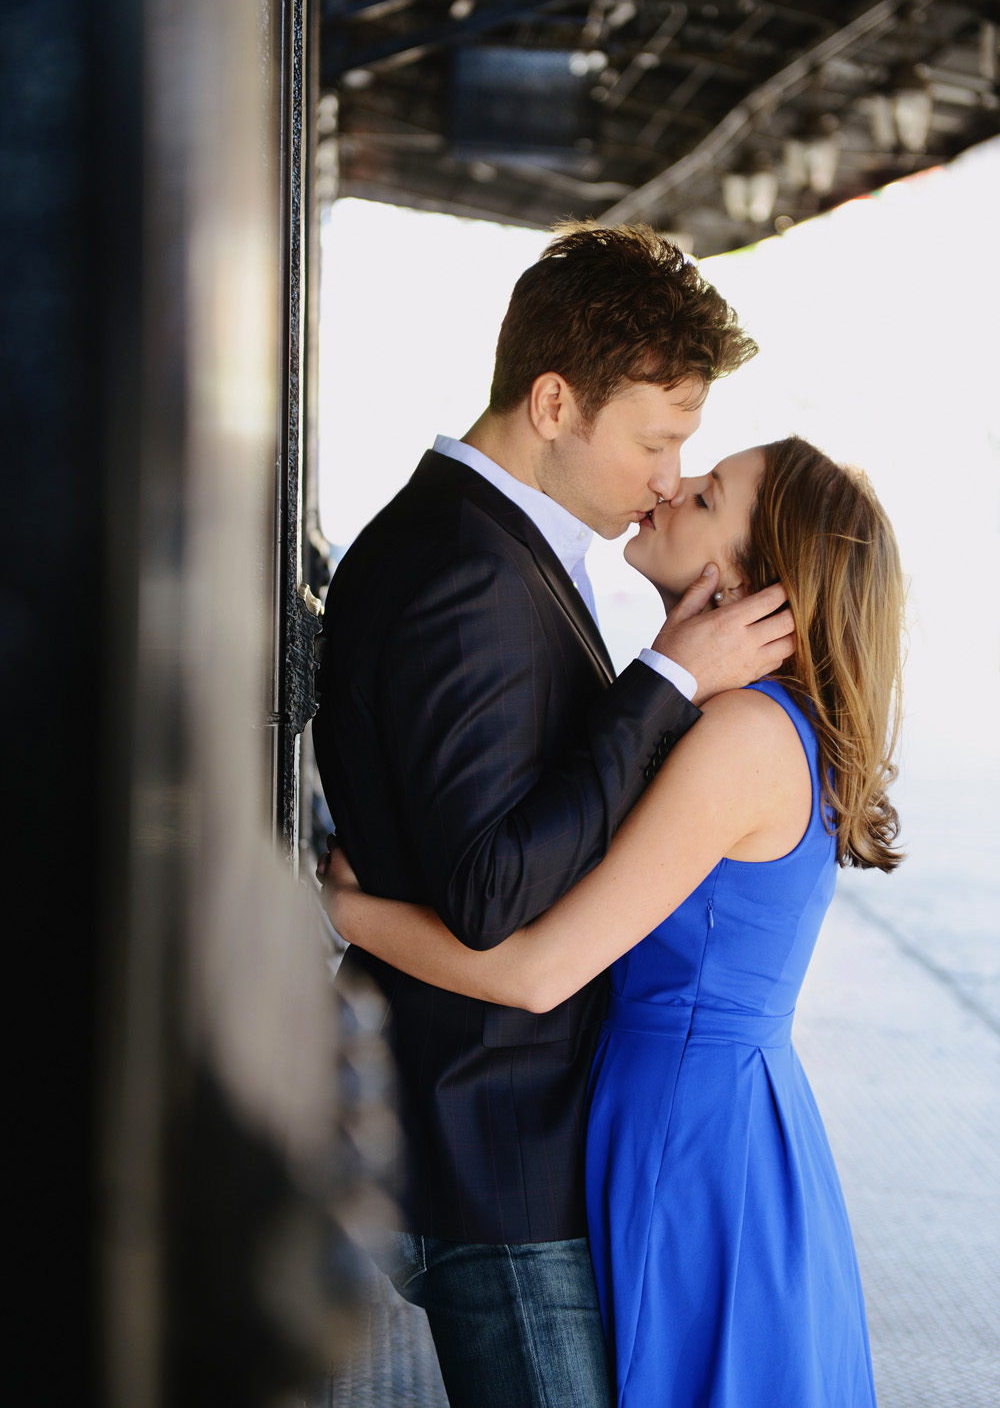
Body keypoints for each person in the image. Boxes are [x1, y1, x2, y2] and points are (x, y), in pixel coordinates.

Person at [310, 223, 794, 1408]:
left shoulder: (492, 546)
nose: (669, 475)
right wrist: (662, 687)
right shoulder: (464, 572)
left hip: (512, 1148)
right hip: (502, 1160)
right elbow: (487, 896)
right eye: (656, 438)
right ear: (553, 401)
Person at [323, 435, 905, 1408]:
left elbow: (538, 971)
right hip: (696, 1111)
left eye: (707, 494)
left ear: (758, 580)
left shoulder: (740, 738)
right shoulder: (752, 720)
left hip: (692, 1134)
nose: (672, 486)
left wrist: (345, 908)